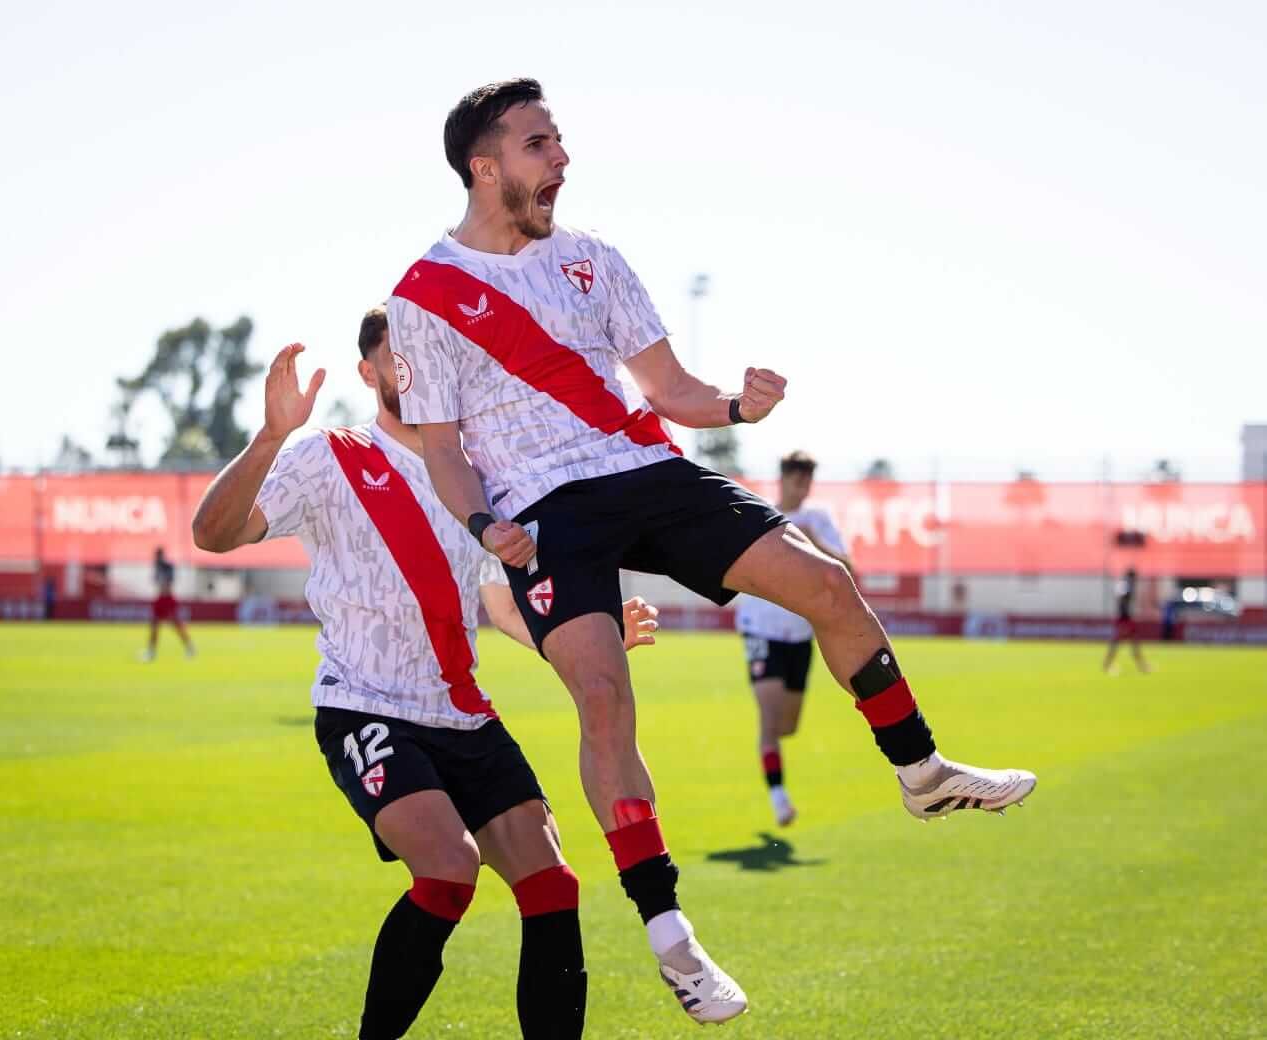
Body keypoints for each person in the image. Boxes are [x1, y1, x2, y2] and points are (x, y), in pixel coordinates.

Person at [387, 78, 1037, 1024]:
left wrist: (736, 404)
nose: (561, 158)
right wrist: (488, 527)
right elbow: (442, 449)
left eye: (560, 141)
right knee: (605, 699)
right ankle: (672, 939)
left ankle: (924, 776)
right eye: (538, 145)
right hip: (540, 509)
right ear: (484, 167)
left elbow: (668, 387)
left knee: (827, 584)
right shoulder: (422, 297)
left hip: (644, 468)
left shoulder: (595, 259)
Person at [191, 309, 658, 1039]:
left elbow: (498, 602)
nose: (413, 368)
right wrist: (271, 434)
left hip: (465, 714)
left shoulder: (470, 476)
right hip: (367, 707)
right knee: (448, 871)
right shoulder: (329, 456)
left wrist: (581, 636)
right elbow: (213, 535)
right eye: (394, 356)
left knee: (553, 886)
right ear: (369, 372)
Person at [734, 451, 855, 828]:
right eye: (797, 480)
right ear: (783, 478)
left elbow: (846, 569)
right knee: (770, 722)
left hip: (800, 634)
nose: (802, 489)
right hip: (761, 630)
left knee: (788, 725)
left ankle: (773, 761)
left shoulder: (817, 520)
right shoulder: (762, 514)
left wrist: (815, 541)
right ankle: (779, 798)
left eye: (807, 482)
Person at [142, 546, 195, 660]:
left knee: (176, 625)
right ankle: (151, 651)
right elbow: (155, 581)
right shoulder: (157, 566)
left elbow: (169, 582)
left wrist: (162, 581)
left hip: (168, 599)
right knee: (155, 626)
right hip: (160, 599)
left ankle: (189, 647)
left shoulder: (167, 566)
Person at [1103, 567, 1150, 674]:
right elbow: (1121, 600)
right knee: (1122, 642)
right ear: (1131, 576)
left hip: (1125, 618)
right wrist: (1124, 618)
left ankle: (1141, 666)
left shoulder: (1125, 584)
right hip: (1124, 619)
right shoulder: (1126, 585)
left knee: (1131, 642)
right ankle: (1107, 665)